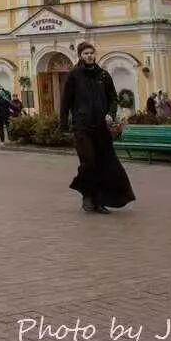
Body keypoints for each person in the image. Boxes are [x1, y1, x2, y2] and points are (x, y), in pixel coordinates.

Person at [59, 42, 135, 214]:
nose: (89, 56)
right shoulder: (74, 75)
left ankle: (99, 201)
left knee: (104, 163)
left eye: (91, 53)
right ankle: (88, 196)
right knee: (89, 162)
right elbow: (65, 102)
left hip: (101, 127)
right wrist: (63, 125)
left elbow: (113, 98)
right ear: (80, 55)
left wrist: (110, 113)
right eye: (86, 53)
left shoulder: (103, 75)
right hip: (82, 126)